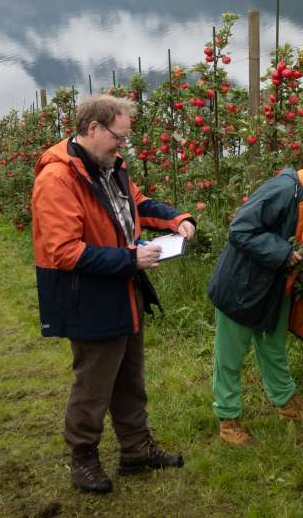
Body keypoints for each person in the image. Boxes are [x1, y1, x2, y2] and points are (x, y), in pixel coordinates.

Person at [31, 94, 196, 495]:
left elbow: (135, 204)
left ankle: (136, 451)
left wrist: (176, 218)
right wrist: (130, 259)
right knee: (94, 384)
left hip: (124, 291)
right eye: (119, 138)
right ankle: (83, 457)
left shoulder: (110, 168)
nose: (123, 146)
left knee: (129, 378)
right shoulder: (57, 180)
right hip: (89, 297)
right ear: (93, 129)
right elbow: (64, 251)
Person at [207, 151, 303, 445]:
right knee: (229, 357)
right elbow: (239, 229)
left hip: (276, 289)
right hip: (242, 287)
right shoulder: (283, 191)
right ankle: (228, 418)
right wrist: (281, 253)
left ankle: (286, 404)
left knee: (274, 348)